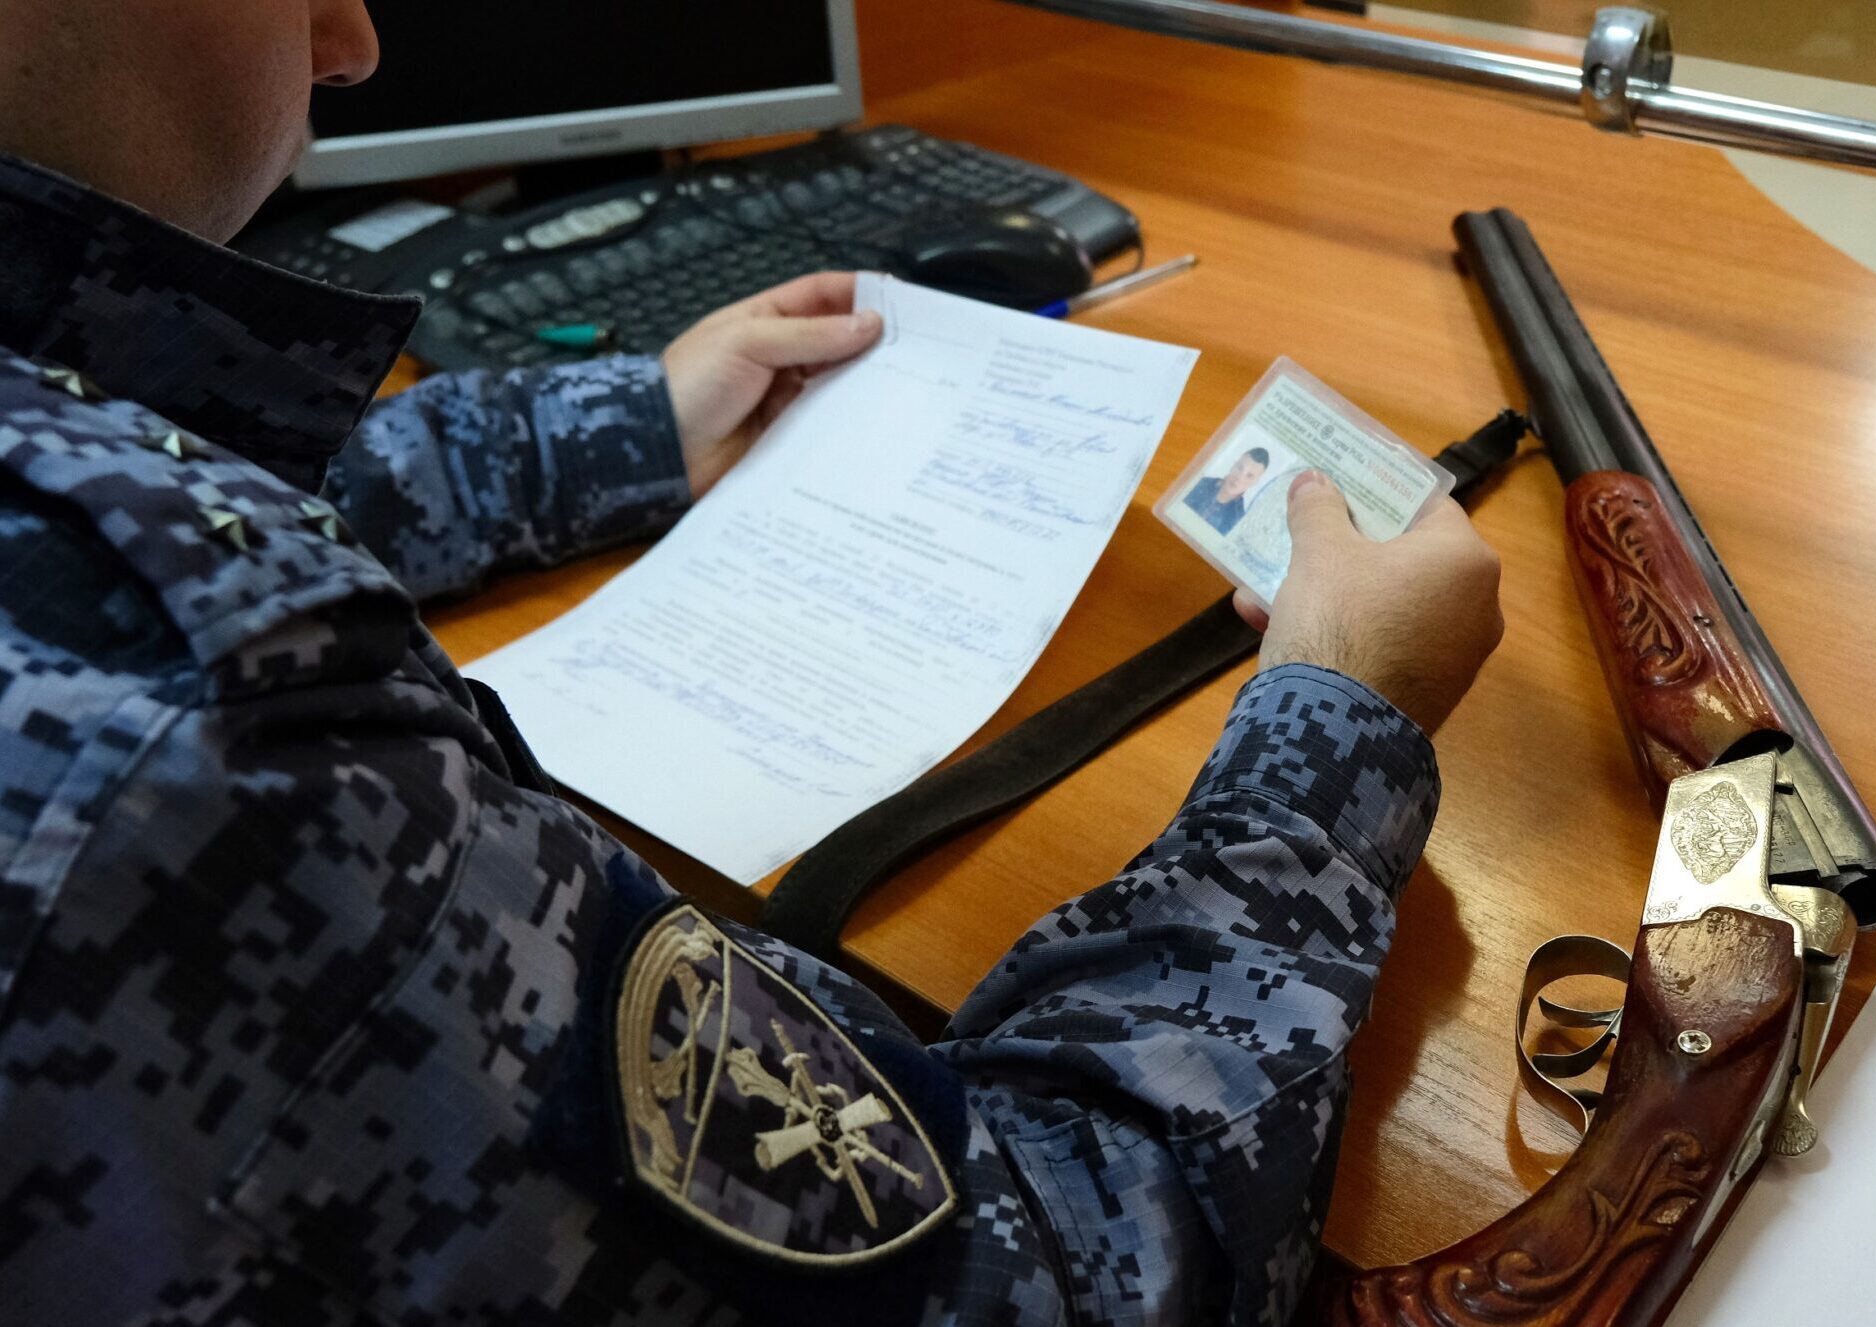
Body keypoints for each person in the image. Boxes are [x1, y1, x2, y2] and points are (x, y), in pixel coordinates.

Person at [0, 2, 1504, 1324]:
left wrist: (622, 427)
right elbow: (1078, 1266)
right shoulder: (201, 749)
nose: (350, 40)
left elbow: (125, 469)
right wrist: (1336, 728)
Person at [1181, 444, 1270, 533]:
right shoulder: (1198, 482)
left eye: (1249, 476)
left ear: (1255, 482)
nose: (1239, 478)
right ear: (1233, 465)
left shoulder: (1237, 521)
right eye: (1240, 468)